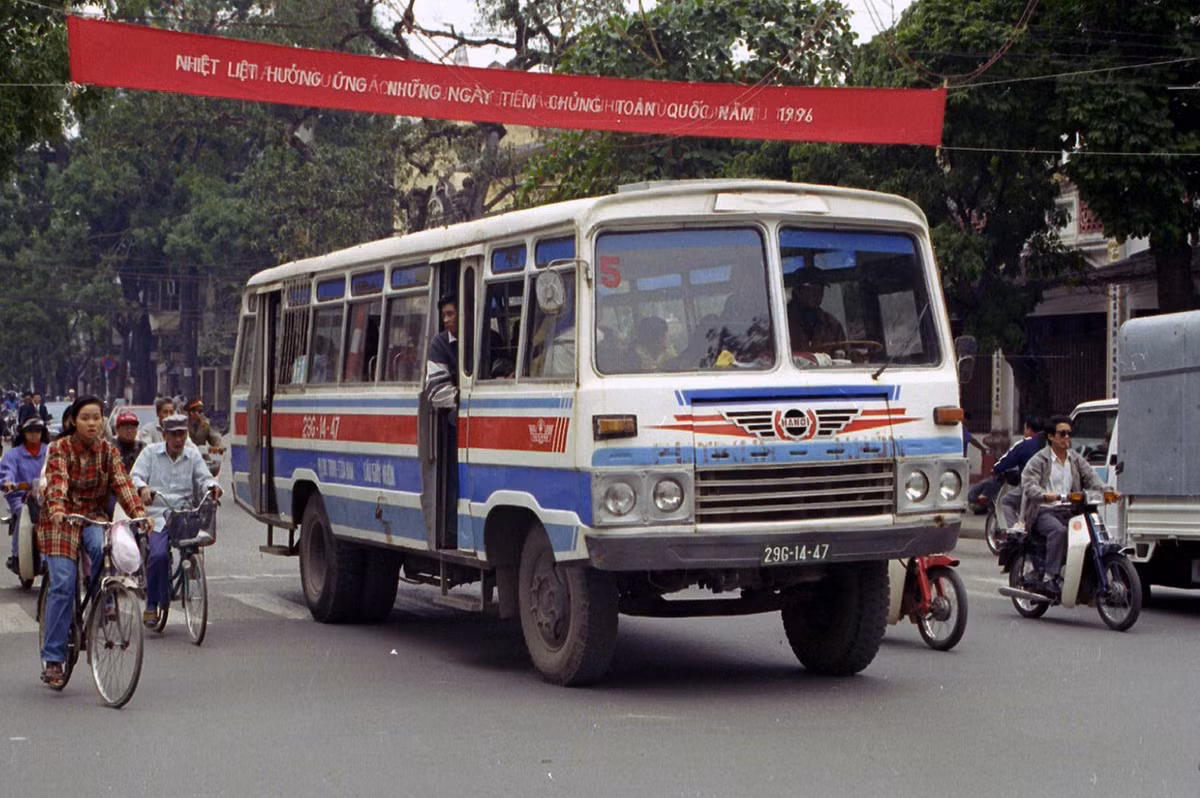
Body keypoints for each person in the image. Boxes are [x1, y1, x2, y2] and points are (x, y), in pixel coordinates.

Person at [37, 395, 146, 688]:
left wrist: (140, 515)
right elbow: (57, 481)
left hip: (93, 516)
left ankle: (102, 600)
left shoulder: (108, 452)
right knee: (62, 583)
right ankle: (54, 658)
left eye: (96, 418)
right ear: (74, 421)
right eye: (85, 418)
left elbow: (123, 484)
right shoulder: (60, 448)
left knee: (102, 550)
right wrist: (58, 508)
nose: (91, 423)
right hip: (60, 520)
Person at [131, 413, 220, 626]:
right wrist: (143, 488)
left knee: (194, 544)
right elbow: (134, 476)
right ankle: (152, 604)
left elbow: (204, 478)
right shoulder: (150, 454)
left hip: (184, 513)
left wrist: (213, 488)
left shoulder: (193, 455)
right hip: (158, 514)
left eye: (182, 434)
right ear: (165, 435)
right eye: (174, 435)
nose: (179, 439)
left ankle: (190, 574)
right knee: (159, 555)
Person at [1019, 414, 1112, 596]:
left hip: (1070, 510)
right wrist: (1045, 495)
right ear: (1051, 437)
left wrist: (1107, 490)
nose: (1067, 438)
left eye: (1069, 434)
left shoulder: (1075, 459)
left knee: (1091, 535)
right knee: (1058, 532)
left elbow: (1092, 478)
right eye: (1062, 434)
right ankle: (1050, 577)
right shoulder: (1039, 460)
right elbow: (1028, 484)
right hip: (1044, 511)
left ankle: (1088, 581)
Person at [2, 417, 48, 574]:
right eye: (30, 431)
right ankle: (17, 556)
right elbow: (7, 471)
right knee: (24, 513)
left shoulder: (50, 451)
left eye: (38, 431)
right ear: (23, 433)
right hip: (20, 496)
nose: (34, 435)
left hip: (47, 496)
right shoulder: (14, 454)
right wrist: (8, 482)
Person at [991, 416, 1044, 527]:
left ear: (1029, 429)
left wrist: (995, 469)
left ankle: (1015, 532)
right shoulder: (1051, 443)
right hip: (1053, 488)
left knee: (1006, 501)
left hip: (1030, 486)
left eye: (1025, 429)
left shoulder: (1025, 444)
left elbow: (1007, 460)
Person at [787, 270, 846, 353]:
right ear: (797, 291)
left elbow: (844, 354)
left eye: (820, 289)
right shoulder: (783, 323)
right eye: (810, 289)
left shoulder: (831, 325)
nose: (816, 294)